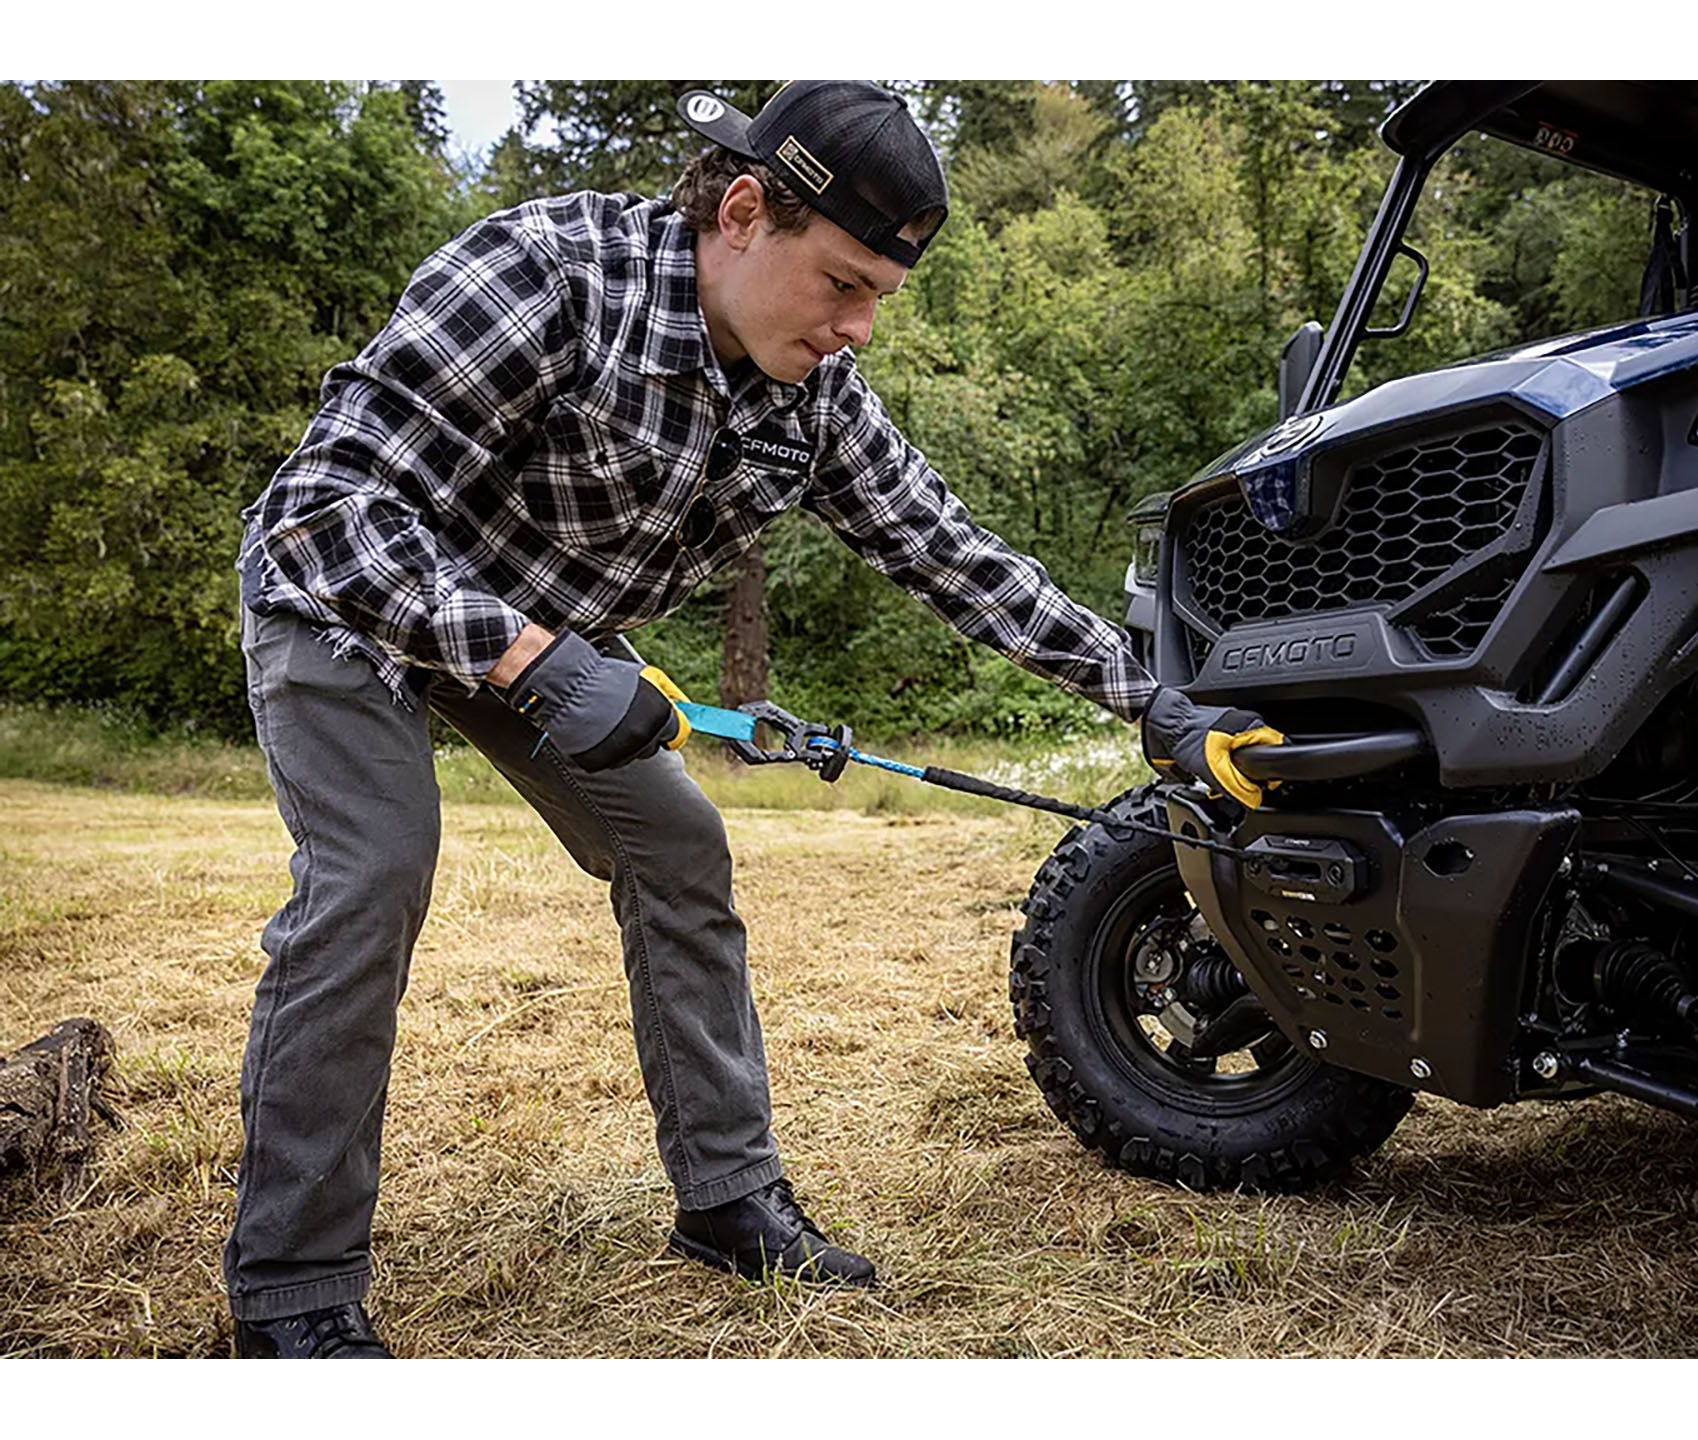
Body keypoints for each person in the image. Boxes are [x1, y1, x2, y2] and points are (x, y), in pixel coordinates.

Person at [227, 79, 1277, 1358]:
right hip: (348, 599)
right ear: (741, 210)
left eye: (881, 298)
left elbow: (960, 561)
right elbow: (326, 512)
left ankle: (728, 1200)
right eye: (843, 285)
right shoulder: (547, 274)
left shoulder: (812, 397)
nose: (860, 329)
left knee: (681, 851)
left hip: (540, 633)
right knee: (374, 870)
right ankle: (291, 1291)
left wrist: (1152, 703)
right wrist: (536, 661)